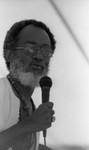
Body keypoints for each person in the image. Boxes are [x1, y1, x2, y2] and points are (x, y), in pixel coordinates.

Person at [0, 19, 56, 150]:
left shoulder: (31, 107)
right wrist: (30, 124)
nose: (39, 56)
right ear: (8, 54)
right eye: (30, 48)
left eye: (45, 51)